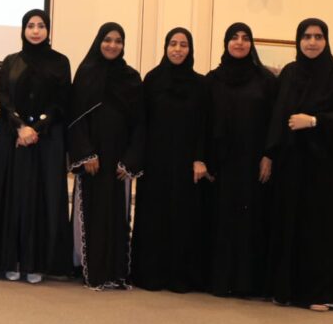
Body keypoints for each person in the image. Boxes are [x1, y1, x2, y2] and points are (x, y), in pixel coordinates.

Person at [267, 19, 333, 311]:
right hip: (292, 165)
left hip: (327, 170)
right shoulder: (290, 74)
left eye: (318, 37)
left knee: (320, 229)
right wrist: (269, 153)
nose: (311, 42)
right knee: (290, 225)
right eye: (306, 36)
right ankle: (287, 291)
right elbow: (276, 115)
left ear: (326, 40)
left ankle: (320, 293)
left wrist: (315, 121)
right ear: (298, 40)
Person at [0, 9, 72, 284]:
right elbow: (4, 99)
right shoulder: (11, 61)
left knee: (41, 200)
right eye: (30, 25)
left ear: (48, 30)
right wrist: (20, 127)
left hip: (47, 140)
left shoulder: (60, 62)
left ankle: (36, 263)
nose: (35, 30)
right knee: (14, 197)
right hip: (13, 138)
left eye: (41, 26)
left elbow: (61, 102)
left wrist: (38, 127)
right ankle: (12, 260)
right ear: (23, 30)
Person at [131, 28, 209, 293]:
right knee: (154, 217)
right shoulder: (152, 80)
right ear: (165, 47)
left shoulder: (200, 84)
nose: (178, 49)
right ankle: (151, 275)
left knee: (183, 218)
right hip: (155, 161)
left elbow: (203, 125)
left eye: (183, 45)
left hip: (187, 163)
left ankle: (180, 277)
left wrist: (200, 158)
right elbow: (142, 121)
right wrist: (139, 158)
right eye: (173, 44)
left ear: (190, 49)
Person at [68, 22, 144, 290]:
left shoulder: (131, 78)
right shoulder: (86, 73)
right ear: (99, 41)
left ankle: (115, 271)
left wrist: (130, 160)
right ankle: (90, 268)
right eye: (107, 40)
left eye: (118, 41)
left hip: (119, 161)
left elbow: (140, 124)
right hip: (93, 159)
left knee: (117, 215)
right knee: (91, 212)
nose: (112, 45)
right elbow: (75, 118)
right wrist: (85, 153)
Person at [203, 23, 276, 298]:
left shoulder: (266, 80)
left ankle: (247, 284)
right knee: (221, 221)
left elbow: (274, 121)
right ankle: (220, 282)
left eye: (245, 38)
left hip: (253, 164)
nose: (240, 42)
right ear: (226, 43)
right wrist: (205, 160)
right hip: (221, 164)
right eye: (234, 37)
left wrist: (269, 155)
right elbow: (203, 123)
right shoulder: (212, 80)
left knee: (250, 222)